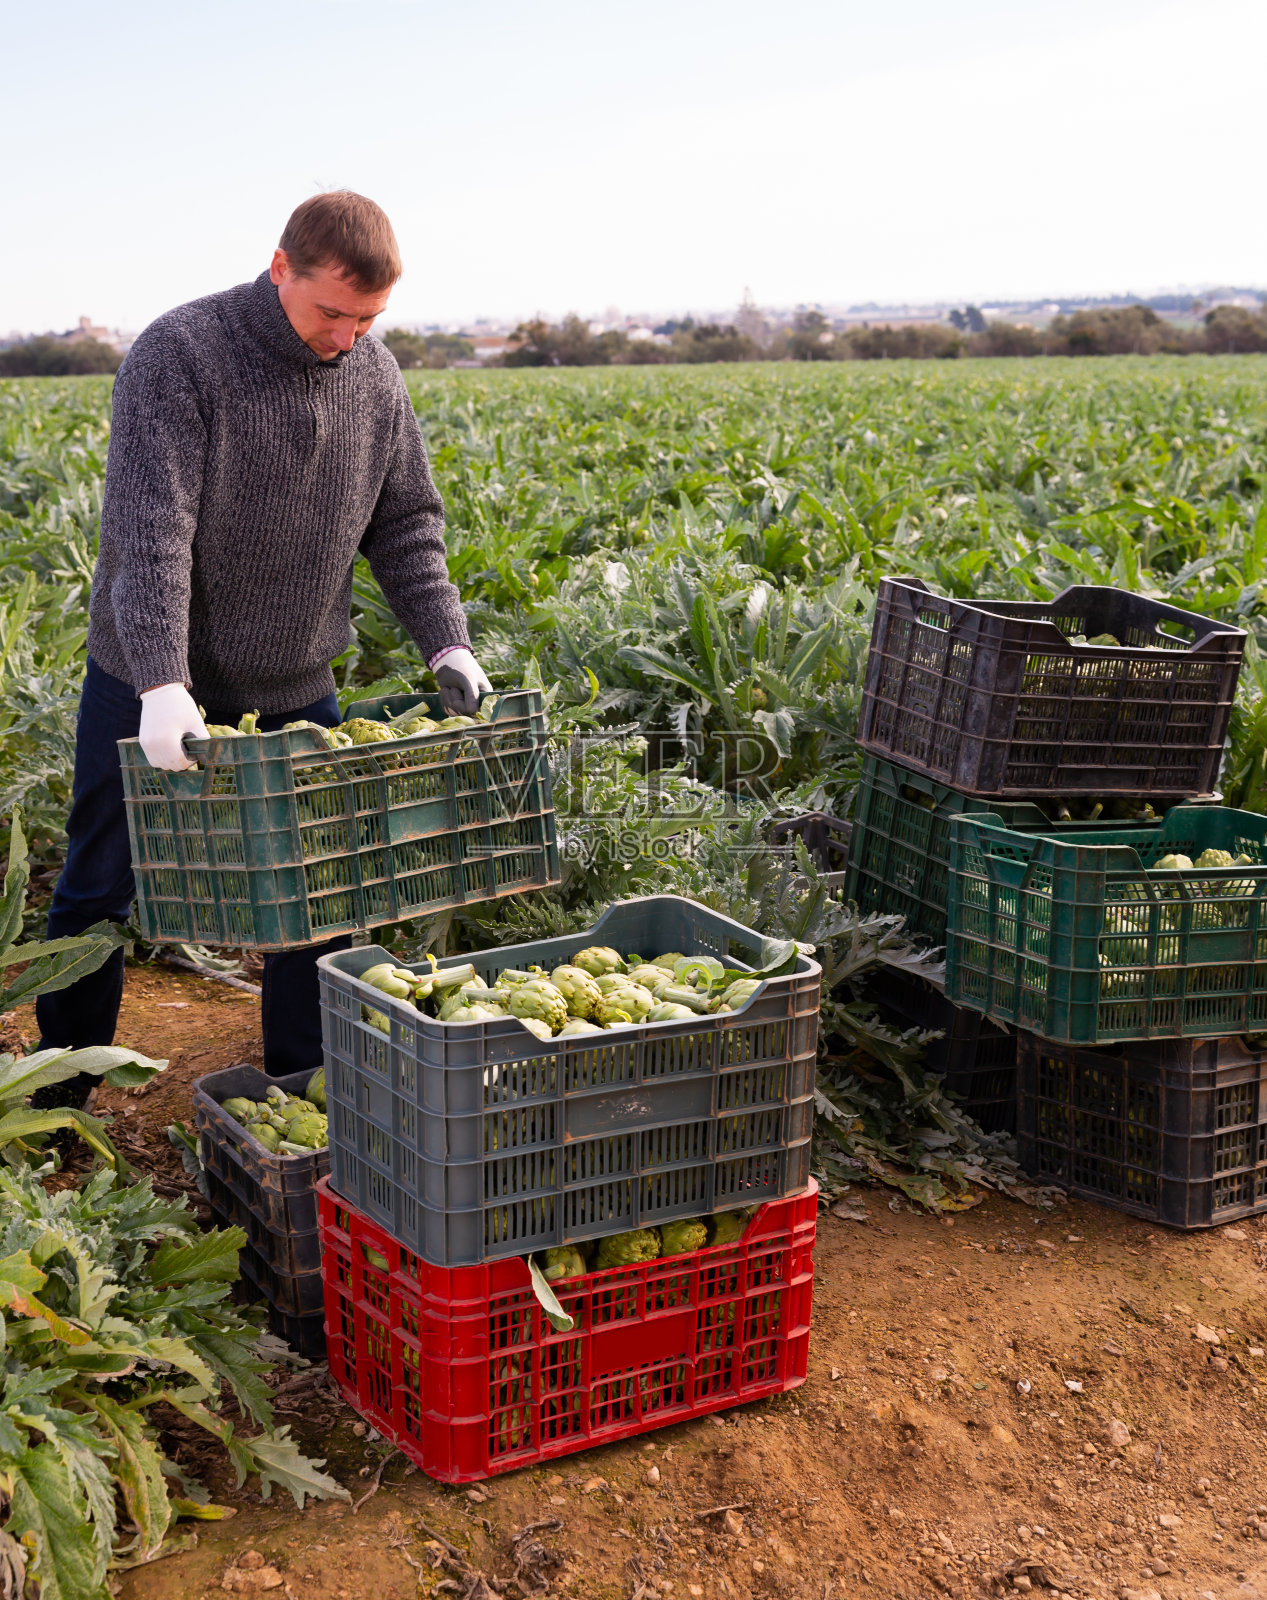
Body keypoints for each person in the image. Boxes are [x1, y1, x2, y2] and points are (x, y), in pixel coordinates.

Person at [35, 190, 490, 1101]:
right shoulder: (181, 353)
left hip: (292, 678)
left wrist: (447, 643)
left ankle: (302, 1089)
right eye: (332, 312)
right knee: (100, 882)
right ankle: (57, 1093)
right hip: (150, 679)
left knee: (314, 894)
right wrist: (163, 680)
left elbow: (405, 523)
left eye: (369, 318)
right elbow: (152, 530)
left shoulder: (375, 377)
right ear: (281, 267)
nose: (347, 337)